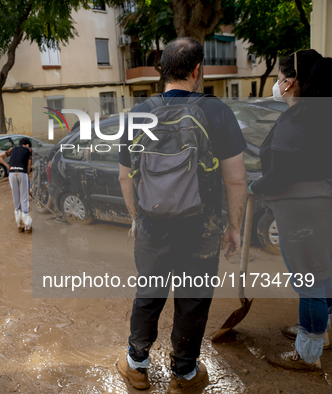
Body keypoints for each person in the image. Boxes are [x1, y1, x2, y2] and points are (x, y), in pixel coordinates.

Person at [116, 38, 248, 392]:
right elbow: (237, 180)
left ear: (161, 70)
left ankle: (136, 366)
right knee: (193, 299)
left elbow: (124, 176)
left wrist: (136, 218)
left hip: (152, 224)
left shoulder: (138, 114)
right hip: (201, 227)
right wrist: (234, 228)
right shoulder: (217, 112)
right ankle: (184, 374)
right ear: (196, 71)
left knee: (149, 292)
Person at [248, 49, 332, 372]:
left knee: (309, 279)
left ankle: (309, 352)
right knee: (324, 274)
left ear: (292, 82)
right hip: (321, 205)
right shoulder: (319, 112)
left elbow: (283, 174)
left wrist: (258, 186)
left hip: (302, 212)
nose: (277, 82)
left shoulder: (298, 120)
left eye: (281, 76)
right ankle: (322, 332)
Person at [0, 137, 33, 233]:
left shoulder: (12, 149)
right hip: (22, 173)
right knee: (24, 199)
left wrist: (9, 167)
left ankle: (19, 225)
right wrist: (26, 174)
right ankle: (27, 227)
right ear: (28, 144)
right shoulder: (29, 150)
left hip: (12, 174)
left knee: (16, 199)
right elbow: (29, 165)